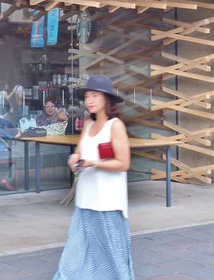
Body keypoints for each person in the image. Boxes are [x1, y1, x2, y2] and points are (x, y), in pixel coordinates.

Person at [53, 75, 134, 280]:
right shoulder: (88, 125)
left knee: (111, 256)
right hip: (86, 199)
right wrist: (74, 160)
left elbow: (123, 163)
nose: (89, 100)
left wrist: (93, 163)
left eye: (94, 95)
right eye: (87, 96)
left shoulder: (115, 126)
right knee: (77, 252)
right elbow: (78, 153)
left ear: (107, 99)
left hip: (108, 202)